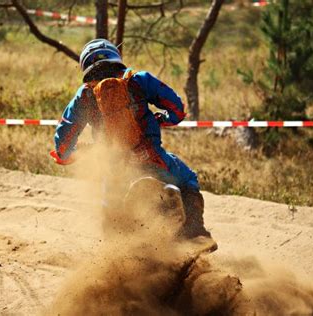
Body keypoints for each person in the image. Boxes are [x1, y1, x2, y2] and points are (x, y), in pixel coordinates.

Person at [52, 39, 213, 243]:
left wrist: (68, 155)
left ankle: (118, 260)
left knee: (110, 212)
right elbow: (177, 109)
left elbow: (64, 138)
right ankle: (195, 233)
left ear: (85, 67)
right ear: (115, 58)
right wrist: (164, 118)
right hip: (152, 159)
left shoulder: (83, 96)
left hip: (115, 171)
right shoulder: (139, 80)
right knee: (188, 178)